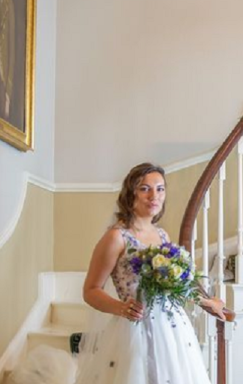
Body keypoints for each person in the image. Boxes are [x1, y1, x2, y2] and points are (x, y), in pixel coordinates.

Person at [75, 162, 226, 384]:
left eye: (160, 188)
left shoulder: (162, 235)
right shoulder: (117, 237)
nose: (154, 195)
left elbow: (173, 286)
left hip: (172, 329)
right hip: (134, 329)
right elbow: (90, 290)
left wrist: (205, 302)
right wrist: (120, 307)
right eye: (144, 188)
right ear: (130, 194)